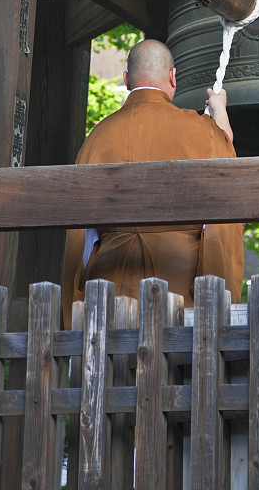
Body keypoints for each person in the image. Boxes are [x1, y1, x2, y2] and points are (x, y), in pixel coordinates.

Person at [62, 39, 244, 328]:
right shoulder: (201, 129)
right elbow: (221, 201)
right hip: (177, 288)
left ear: (125, 80)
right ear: (172, 77)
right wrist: (219, 111)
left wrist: (77, 297)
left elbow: (81, 238)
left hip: (108, 288)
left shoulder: (97, 136)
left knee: (111, 368)